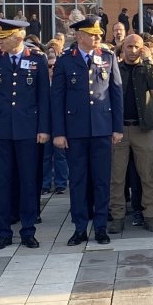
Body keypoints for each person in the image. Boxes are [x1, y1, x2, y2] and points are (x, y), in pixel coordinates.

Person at [52, 18, 123, 246]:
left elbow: (116, 93)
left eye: (98, 34)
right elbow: (57, 99)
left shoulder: (108, 57)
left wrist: (117, 128)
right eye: (92, 34)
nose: (97, 37)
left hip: (102, 128)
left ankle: (100, 227)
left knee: (102, 180)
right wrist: (59, 132)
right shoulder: (65, 60)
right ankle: (80, 228)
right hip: (75, 130)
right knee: (78, 181)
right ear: (79, 36)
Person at [0, 19, 51, 250]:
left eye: (4, 38)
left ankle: (28, 231)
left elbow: (43, 96)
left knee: (28, 182)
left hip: (28, 130)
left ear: (18, 38)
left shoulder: (37, 59)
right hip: (1, 130)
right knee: (2, 183)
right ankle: (3, 233)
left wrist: (43, 128)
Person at [109, 34, 153, 233]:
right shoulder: (115, 68)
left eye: (137, 47)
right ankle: (117, 217)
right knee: (117, 177)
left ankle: (150, 215)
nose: (132, 51)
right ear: (123, 48)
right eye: (129, 46)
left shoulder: (146, 68)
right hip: (119, 130)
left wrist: (148, 60)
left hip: (143, 129)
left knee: (148, 175)